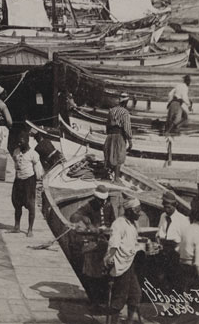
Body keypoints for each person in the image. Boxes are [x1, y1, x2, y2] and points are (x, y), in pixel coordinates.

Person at [69, 184, 115, 303]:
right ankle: (94, 298)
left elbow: (113, 222)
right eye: (99, 200)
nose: (101, 202)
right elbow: (73, 217)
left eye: (103, 200)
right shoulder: (89, 205)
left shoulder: (109, 205)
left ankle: (102, 298)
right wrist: (83, 218)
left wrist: (107, 228)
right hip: (93, 240)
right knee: (92, 271)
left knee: (105, 270)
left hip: (106, 238)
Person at [104, 196, 143, 324]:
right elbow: (114, 243)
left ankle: (129, 321)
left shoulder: (133, 224)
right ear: (130, 211)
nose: (140, 213)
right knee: (119, 298)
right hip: (120, 264)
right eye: (137, 211)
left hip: (130, 263)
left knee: (135, 295)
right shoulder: (119, 223)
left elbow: (132, 242)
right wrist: (109, 257)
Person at [10, 133, 44, 237]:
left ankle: (30, 229)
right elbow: (16, 164)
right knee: (17, 203)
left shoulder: (33, 154)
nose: (19, 144)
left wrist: (38, 180)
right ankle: (17, 226)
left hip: (29, 182)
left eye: (21, 142)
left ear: (27, 141)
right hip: (18, 181)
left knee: (30, 205)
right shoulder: (16, 152)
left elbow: (38, 170)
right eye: (18, 143)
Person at [155, 190, 189, 287]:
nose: (166, 210)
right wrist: (158, 241)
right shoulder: (163, 216)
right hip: (162, 252)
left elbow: (185, 240)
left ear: (175, 206)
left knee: (176, 281)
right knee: (162, 280)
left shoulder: (182, 220)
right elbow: (159, 233)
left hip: (175, 254)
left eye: (169, 207)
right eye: (164, 207)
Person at [104, 93, 134, 183]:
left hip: (110, 135)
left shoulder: (111, 110)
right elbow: (127, 127)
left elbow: (107, 124)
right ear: (126, 102)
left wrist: (109, 134)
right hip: (119, 135)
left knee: (109, 154)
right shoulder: (125, 113)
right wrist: (130, 140)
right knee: (119, 156)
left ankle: (107, 176)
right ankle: (116, 178)